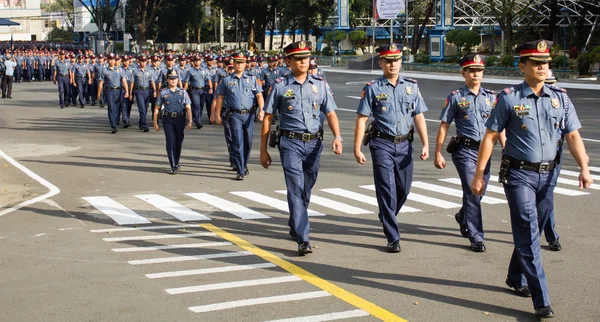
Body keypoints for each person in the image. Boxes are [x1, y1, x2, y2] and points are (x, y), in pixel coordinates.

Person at [470, 40, 592, 319]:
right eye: (536, 63)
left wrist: (584, 167)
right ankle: (541, 299)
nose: (542, 68)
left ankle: (515, 275)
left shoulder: (560, 97)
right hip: (519, 175)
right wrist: (479, 174)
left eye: (545, 63)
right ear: (522, 66)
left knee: (530, 233)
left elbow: (572, 135)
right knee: (528, 231)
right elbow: (489, 137)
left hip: (549, 176)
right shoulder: (510, 98)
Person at [260, 41, 343, 255]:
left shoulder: (320, 84)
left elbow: (331, 112)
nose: (304, 61)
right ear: (288, 61)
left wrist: (338, 137)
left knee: (307, 187)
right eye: (298, 58)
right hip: (290, 143)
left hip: (315, 143)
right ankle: (303, 239)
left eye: (306, 57)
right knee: (296, 187)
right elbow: (268, 117)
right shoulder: (280, 85)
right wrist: (263, 150)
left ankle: (294, 221)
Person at [353, 43, 429, 253]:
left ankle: (387, 214)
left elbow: (419, 116)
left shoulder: (411, 87)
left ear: (400, 62)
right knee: (386, 189)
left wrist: (426, 143)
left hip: (405, 144)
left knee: (404, 188)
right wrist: (357, 147)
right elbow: (362, 119)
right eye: (388, 60)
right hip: (382, 144)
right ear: (381, 63)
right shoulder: (372, 88)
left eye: (396, 60)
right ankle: (393, 237)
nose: (392, 64)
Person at [434, 54, 504, 252]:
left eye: (479, 70)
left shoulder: (492, 97)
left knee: (480, 190)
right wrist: (437, 152)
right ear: (463, 73)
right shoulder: (456, 97)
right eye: (471, 70)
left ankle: (463, 215)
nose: (475, 74)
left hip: (486, 151)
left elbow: (500, 127)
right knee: (473, 190)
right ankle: (476, 236)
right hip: (465, 150)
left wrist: (507, 149)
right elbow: (444, 125)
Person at [214, 52, 264, 180]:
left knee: (248, 141)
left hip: (249, 115)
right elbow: (220, 98)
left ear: (245, 64)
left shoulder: (252, 78)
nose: (240, 65)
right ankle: (240, 169)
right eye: (237, 62)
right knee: (237, 141)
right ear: (234, 64)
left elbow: (259, 95)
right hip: (234, 115)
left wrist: (262, 111)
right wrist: (217, 114)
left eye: (242, 62)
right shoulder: (226, 80)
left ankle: (244, 163)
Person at [153, 70, 193, 174]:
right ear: (167, 80)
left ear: (177, 79)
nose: (173, 81)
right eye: (171, 79)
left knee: (178, 142)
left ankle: (177, 161)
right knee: (170, 141)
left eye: (175, 78)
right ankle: (173, 164)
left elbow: (188, 107)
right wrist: (155, 123)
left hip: (180, 119)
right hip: (168, 120)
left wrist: (190, 121)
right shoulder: (163, 93)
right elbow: (157, 108)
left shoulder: (183, 92)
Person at [97, 53, 129, 134]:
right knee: (111, 108)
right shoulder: (104, 70)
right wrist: (98, 94)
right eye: (110, 59)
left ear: (115, 60)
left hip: (118, 91)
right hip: (109, 91)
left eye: (113, 59)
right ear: (107, 60)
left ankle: (114, 121)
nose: (112, 61)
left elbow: (124, 81)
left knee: (117, 108)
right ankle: (113, 126)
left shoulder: (120, 70)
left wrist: (127, 91)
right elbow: (101, 83)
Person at [184, 55, 213, 129]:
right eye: (195, 60)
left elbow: (209, 79)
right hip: (194, 90)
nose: (197, 61)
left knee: (201, 106)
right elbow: (187, 81)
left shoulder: (204, 70)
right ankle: (198, 122)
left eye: (198, 60)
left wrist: (211, 88)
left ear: (201, 61)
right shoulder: (190, 71)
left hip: (203, 90)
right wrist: (184, 91)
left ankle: (197, 118)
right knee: (196, 105)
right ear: (193, 61)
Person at [130, 55, 156, 132]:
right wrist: (131, 93)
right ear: (139, 61)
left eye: (145, 61)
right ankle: (145, 125)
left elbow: (152, 81)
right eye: (142, 61)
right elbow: (132, 82)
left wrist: (154, 90)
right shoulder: (135, 71)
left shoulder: (149, 71)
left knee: (145, 108)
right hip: (139, 91)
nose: (143, 63)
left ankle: (141, 123)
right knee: (141, 108)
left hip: (147, 91)